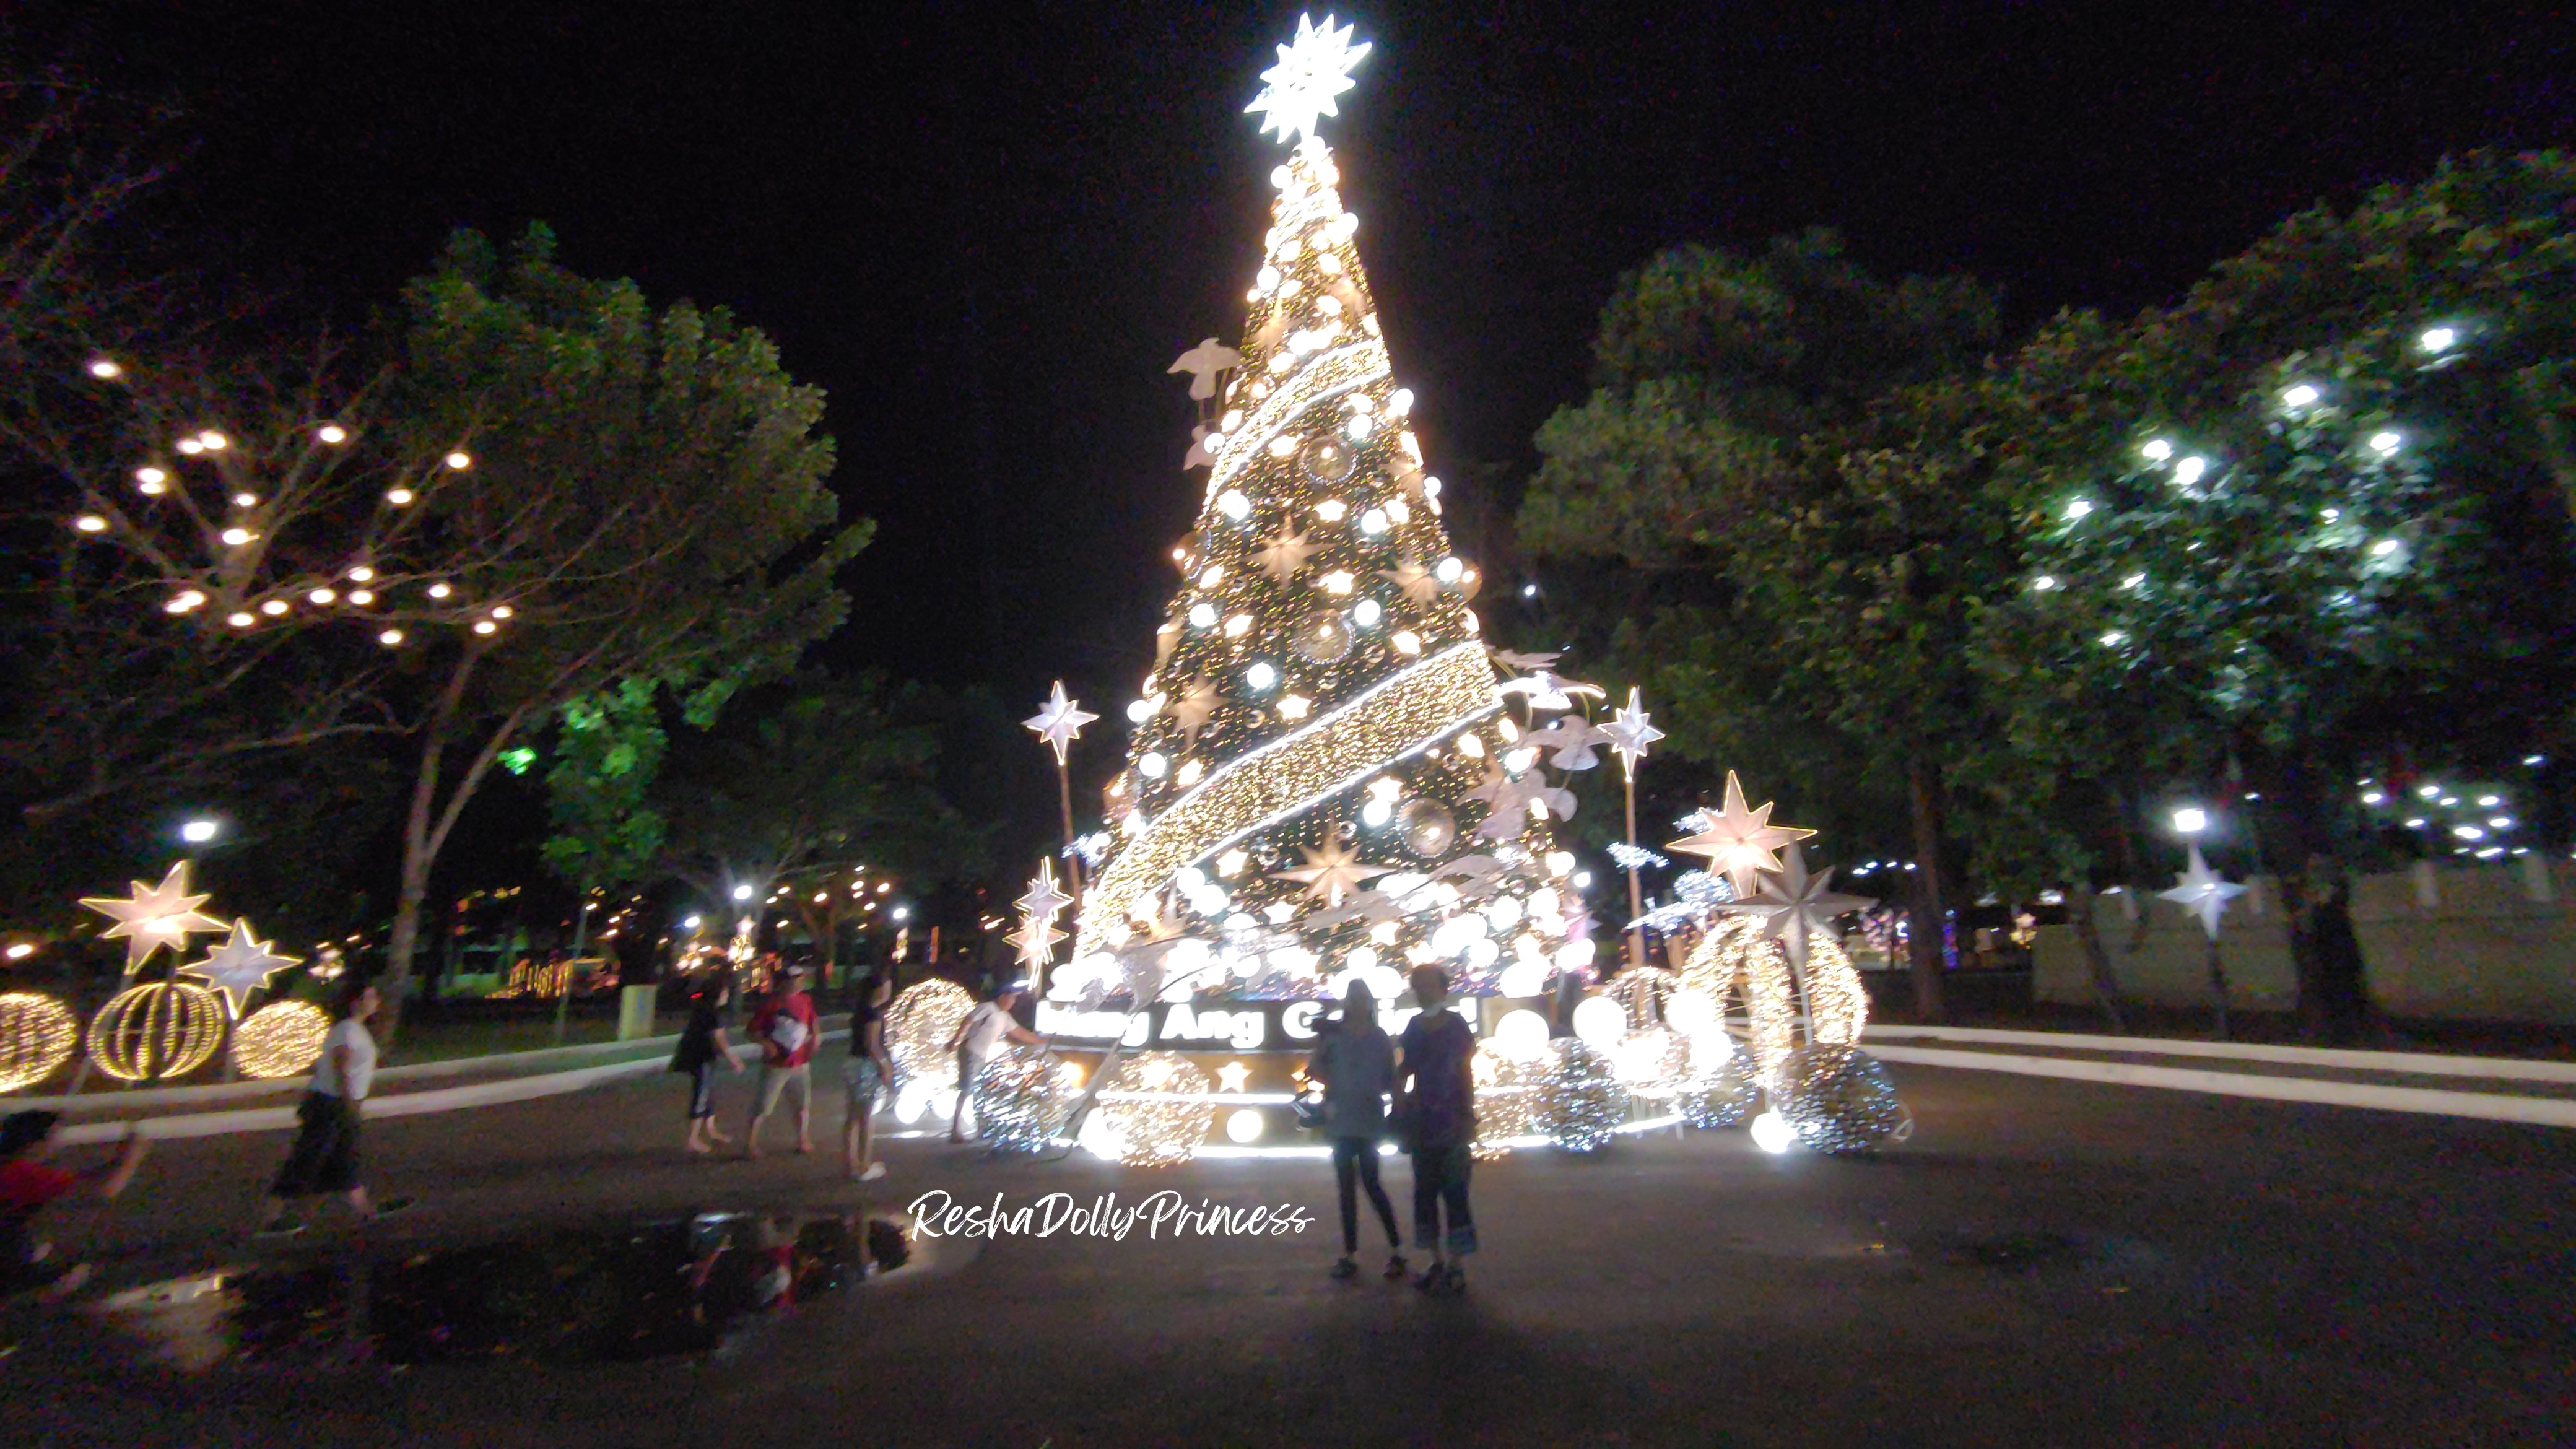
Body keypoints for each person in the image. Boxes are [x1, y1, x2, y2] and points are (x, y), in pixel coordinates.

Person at [258, 981, 409, 1235]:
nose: (376, 1001)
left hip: (337, 1103)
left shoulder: (356, 1030)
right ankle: (271, 1219)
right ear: (356, 1001)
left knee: (344, 1158)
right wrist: (350, 1102)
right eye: (370, 996)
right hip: (331, 1103)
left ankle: (366, 1211)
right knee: (307, 1158)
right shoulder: (347, 1030)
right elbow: (342, 1067)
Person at [1307, 978, 1406, 1282]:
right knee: (1348, 1186)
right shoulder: (1342, 1036)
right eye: (1354, 997)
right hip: (1346, 1118)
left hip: (1363, 1118)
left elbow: (1391, 1078)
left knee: (1371, 1183)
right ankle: (1354, 1253)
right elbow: (1315, 1069)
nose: (1357, 1002)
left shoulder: (1377, 1038)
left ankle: (1394, 1250)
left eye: (1361, 997)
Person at [1, 1112, 148, 1303]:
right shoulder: (20, 1174)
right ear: (35, 1144)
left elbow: (82, 1180)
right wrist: (132, 1154)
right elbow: (102, 1190)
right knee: (73, 1275)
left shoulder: (12, 1167)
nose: (58, 1145)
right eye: (54, 1139)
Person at [1396, 965, 1477, 1295]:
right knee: (1426, 1192)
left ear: (1441, 989)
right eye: (1417, 987)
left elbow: (1465, 1072)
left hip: (1450, 1119)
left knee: (1455, 1192)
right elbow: (1406, 1068)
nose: (1420, 992)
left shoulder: (1455, 1025)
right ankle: (1437, 1260)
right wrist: (1400, 1096)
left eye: (1425, 986)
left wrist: (1468, 1114)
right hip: (1424, 1120)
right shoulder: (1415, 1026)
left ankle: (1455, 1263)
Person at [943, 981, 1042, 1143]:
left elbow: (1020, 1033)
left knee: (979, 1089)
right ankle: (955, 1129)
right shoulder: (988, 1008)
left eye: (1015, 1000)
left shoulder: (1004, 1017)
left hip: (982, 1056)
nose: (1012, 1003)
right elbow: (968, 1021)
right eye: (1011, 999)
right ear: (1002, 997)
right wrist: (955, 1040)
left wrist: (1041, 1040)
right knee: (967, 1090)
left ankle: (979, 1127)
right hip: (970, 1051)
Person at [744, 964, 820, 1158]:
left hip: (800, 1063)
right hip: (777, 1064)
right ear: (786, 982)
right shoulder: (772, 1005)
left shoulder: (805, 1000)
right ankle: (750, 1143)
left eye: (802, 978)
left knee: (802, 1105)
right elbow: (750, 1032)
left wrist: (816, 1039)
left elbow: (813, 1023)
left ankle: (802, 1139)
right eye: (797, 979)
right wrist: (765, 1043)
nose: (801, 982)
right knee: (763, 1105)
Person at [671, 977, 746, 1154]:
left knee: (709, 1093)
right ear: (717, 994)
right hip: (702, 1058)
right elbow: (719, 1039)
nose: (727, 995)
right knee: (702, 1095)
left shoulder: (702, 1010)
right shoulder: (713, 1013)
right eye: (725, 992)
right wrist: (734, 1060)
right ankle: (692, 1139)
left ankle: (711, 1131)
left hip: (700, 1056)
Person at [842, 973, 897, 1181]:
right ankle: (864, 1165)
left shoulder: (861, 1011)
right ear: (878, 991)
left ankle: (851, 1164)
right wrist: (884, 1065)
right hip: (866, 1066)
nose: (889, 992)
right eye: (887, 987)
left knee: (853, 1117)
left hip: (852, 1063)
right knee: (866, 1117)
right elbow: (871, 1044)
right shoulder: (873, 1014)